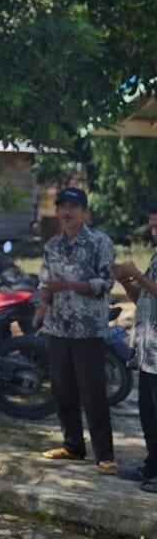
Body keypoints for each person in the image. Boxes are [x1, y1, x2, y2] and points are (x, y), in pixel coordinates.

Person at [34, 187, 117, 474]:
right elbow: (45, 282)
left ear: (84, 211)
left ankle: (105, 454)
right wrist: (40, 308)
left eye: (73, 207)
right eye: (62, 207)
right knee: (62, 390)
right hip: (58, 328)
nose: (67, 212)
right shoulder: (52, 245)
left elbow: (106, 283)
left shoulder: (99, 242)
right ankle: (73, 445)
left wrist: (70, 285)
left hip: (88, 330)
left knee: (93, 393)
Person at [109, 204, 157, 493]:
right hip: (149, 351)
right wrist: (127, 282)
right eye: (151, 227)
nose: (153, 233)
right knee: (148, 413)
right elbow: (145, 301)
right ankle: (152, 467)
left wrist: (137, 275)